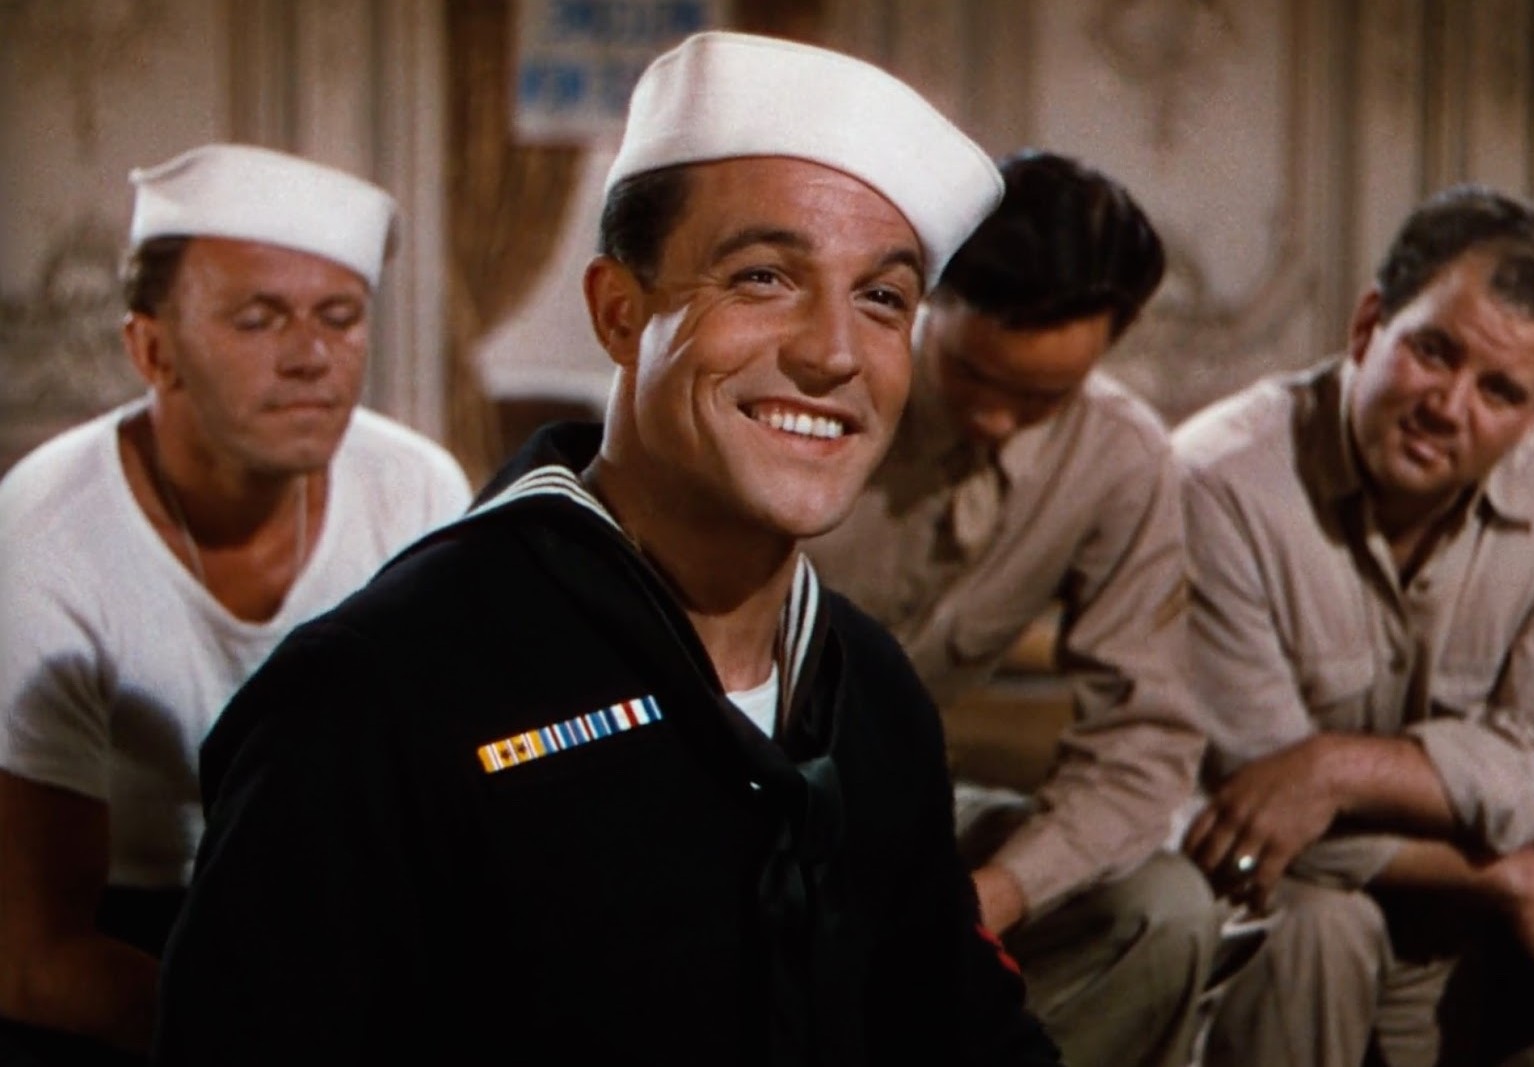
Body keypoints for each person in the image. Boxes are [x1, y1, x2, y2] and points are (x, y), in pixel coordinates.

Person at [154, 32, 1061, 1066]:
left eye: (883, 297)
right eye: (763, 277)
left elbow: (961, 1034)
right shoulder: (376, 695)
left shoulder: (872, 692)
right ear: (620, 314)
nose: (832, 352)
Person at [0, 143, 472, 1065]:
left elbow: (452, 799)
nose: (311, 358)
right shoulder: (43, 533)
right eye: (258, 320)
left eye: (341, 318)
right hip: (129, 932)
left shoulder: (417, 488)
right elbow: (32, 956)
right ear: (152, 349)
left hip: (350, 909)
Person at [806, 150, 1221, 1067]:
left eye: (1040, 398)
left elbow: (1142, 742)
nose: (996, 419)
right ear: (928, 301)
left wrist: (989, 897)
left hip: (904, 817)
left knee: (1162, 911)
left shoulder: (1119, 460)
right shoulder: (817, 393)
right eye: (972, 376)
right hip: (735, 804)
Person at [1173, 185, 1534, 1067]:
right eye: (1433, 352)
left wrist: (1334, 767)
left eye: (1499, 390)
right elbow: (1252, 798)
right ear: (1369, 325)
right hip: (1261, 893)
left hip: (1454, 927)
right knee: (1318, 929)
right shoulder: (1216, 483)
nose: (1449, 405)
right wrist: (1517, 878)